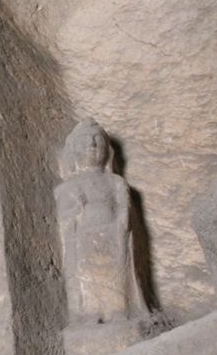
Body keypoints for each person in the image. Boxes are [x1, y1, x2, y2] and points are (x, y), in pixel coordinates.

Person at [55, 117, 148, 325]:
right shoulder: (68, 187)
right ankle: (90, 311)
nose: (92, 144)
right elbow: (65, 219)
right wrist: (76, 206)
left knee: (116, 274)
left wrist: (122, 223)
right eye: (85, 141)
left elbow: (124, 206)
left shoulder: (116, 182)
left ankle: (118, 309)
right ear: (72, 152)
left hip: (113, 235)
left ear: (108, 151)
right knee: (86, 274)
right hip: (84, 239)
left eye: (97, 139)